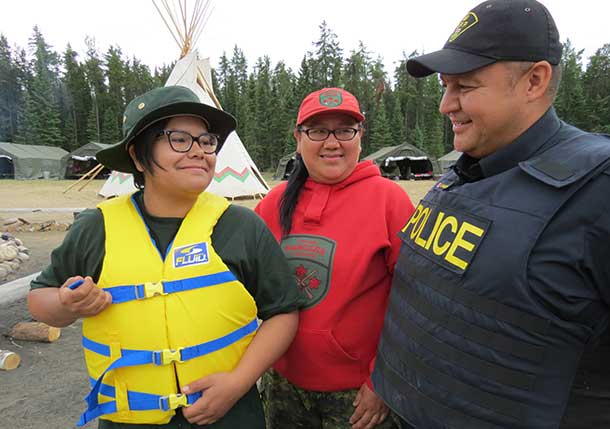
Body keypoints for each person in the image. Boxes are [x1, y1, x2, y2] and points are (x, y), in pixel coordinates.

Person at [372, 1, 610, 428]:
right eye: (445, 86)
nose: (446, 105)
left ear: (534, 81)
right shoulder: (465, 174)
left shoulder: (598, 188)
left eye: (464, 86)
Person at [27, 85, 300, 429]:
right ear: (138, 157)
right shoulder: (97, 227)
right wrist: (67, 303)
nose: (200, 151)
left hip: (231, 415)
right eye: (179, 139)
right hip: (128, 420)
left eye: (206, 141)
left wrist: (238, 382)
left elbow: (283, 312)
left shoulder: (242, 226)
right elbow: (40, 298)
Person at [255, 87, 415, 429]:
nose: (332, 142)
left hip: (358, 395)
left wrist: (381, 381)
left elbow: (413, 305)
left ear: (360, 136)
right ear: (298, 138)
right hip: (283, 384)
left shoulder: (390, 201)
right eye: (317, 131)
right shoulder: (275, 202)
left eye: (345, 130)